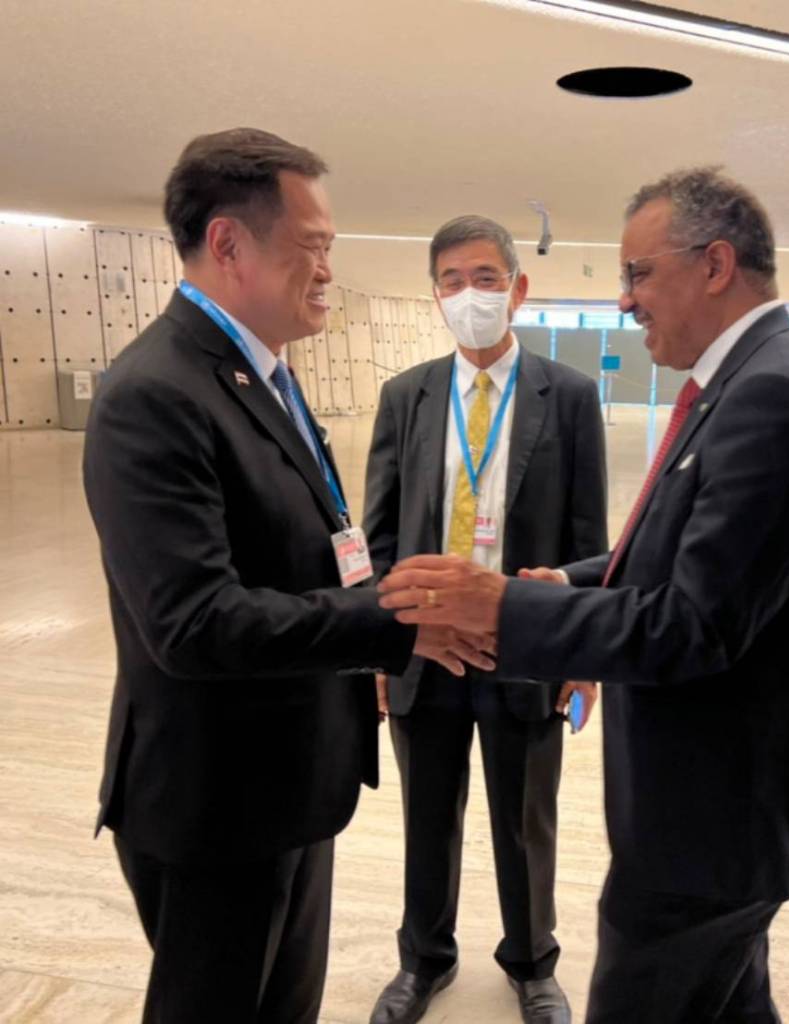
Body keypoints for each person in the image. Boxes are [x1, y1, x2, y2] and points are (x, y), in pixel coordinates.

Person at [377, 167, 789, 1023]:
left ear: (715, 265)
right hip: (722, 803)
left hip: (720, 812)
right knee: (728, 1001)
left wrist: (502, 607)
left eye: (640, 274)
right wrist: (567, 582)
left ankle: (528, 957)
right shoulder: (751, 379)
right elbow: (676, 552)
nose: (624, 300)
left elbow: (693, 623)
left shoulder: (773, 394)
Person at [82, 128, 491, 1024]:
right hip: (216, 803)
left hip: (292, 779)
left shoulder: (263, 374)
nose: (329, 270)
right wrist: (389, 625)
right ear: (229, 244)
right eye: (313, 246)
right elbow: (195, 624)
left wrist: (383, 603)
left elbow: (308, 546)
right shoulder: (155, 394)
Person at [363, 215, 608, 1024]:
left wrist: (584, 652)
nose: (469, 295)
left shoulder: (569, 397)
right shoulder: (405, 396)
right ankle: (423, 961)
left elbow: (589, 541)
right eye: (452, 281)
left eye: (485, 278)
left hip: (522, 643)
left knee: (525, 820)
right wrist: (378, 646)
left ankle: (532, 963)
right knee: (427, 818)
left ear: (518, 288)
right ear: (435, 295)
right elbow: (381, 537)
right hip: (425, 647)